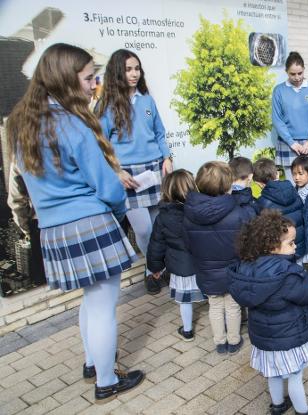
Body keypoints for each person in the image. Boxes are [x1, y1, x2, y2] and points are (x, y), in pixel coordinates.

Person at [6, 43, 143, 401]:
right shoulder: (72, 124)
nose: (93, 84)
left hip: (54, 230)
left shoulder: (21, 125)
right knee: (103, 308)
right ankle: (106, 381)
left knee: (89, 301)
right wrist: (115, 212)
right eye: (87, 78)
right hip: (90, 223)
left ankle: (91, 362)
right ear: (67, 80)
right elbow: (109, 187)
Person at [229, 210, 308, 415]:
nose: (295, 246)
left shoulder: (247, 264)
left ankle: (278, 405)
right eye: (291, 243)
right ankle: (303, 411)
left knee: (273, 373)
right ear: (273, 246)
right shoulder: (285, 273)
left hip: (264, 335)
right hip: (288, 335)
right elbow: (306, 294)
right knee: (294, 375)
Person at [96, 49, 172, 295]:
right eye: (128, 69)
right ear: (118, 71)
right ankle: (153, 270)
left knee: (159, 226)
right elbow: (100, 144)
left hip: (154, 169)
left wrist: (167, 157)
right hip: (129, 177)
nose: (134, 74)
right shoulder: (106, 105)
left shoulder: (147, 100)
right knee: (143, 230)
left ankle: (158, 269)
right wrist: (116, 172)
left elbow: (160, 132)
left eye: (137, 68)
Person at [183, 162, 255, 354]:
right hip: (233, 268)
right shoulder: (238, 211)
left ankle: (220, 342)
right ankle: (234, 340)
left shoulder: (189, 212)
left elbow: (188, 242)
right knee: (232, 305)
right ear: (227, 185)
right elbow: (247, 241)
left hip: (205, 269)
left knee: (214, 305)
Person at [146, 169, 199, 341]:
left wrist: (155, 268)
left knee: (185, 301)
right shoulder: (200, 211)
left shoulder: (163, 217)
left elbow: (156, 245)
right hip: (203, 264)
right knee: (214, 297)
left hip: (180, 267)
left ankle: (188, 330)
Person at [272, 51, 308, 183]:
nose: (297, 77)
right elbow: (277, 120)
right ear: (286, 72)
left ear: (304, 69)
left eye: (300, 73)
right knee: (292, 184)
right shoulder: (279, 90)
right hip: (288, 144)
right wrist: (291, 142)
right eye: (292, 74)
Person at [254, 158, 305, 258]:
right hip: (299, 242)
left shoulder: (261, 202)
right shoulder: (293, 190)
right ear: (277, 174)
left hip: (281, 249)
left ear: (258, 183)